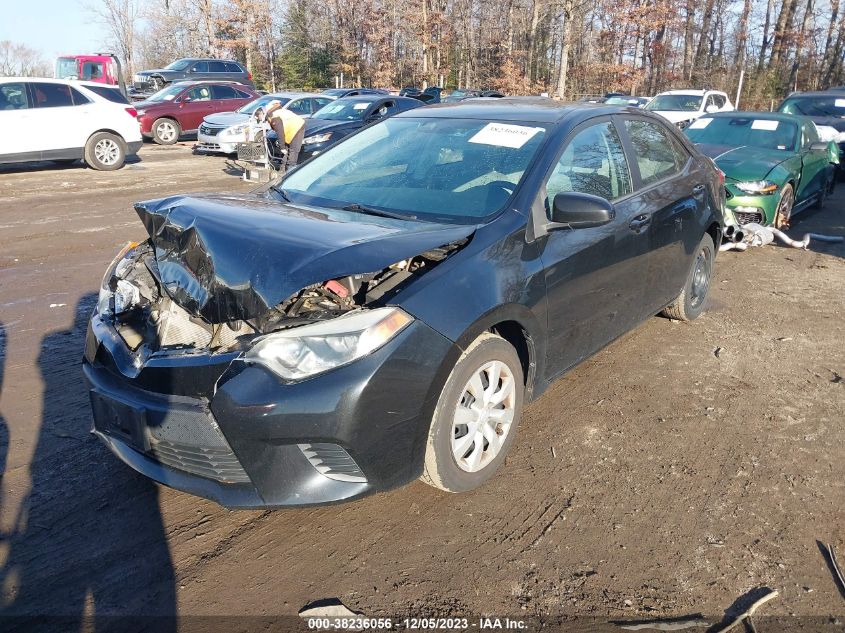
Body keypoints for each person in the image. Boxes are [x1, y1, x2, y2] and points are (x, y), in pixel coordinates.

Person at [264, 100, 306, 171]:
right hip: (292, 128)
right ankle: (283, 167)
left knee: (294, 149)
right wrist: (283, 146)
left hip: (298, 127)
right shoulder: (277, 112)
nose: (267, 122)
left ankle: (290, 169)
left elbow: (280, 133)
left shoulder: (274, 117)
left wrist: (282, 147)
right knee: (288, 148)